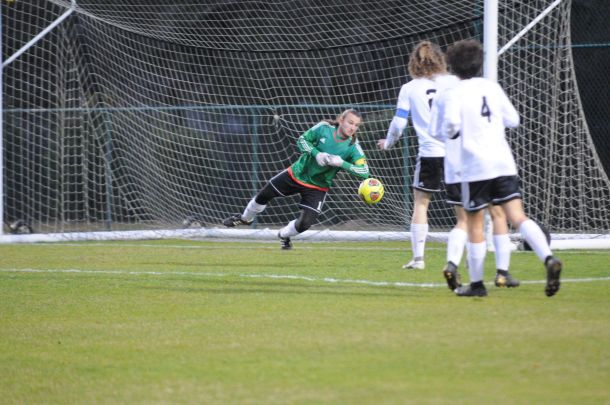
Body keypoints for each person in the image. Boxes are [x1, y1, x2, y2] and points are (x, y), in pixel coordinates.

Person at [378, 41, 519, 290]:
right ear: (441, 60)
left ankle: (418, 258)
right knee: (469, 213)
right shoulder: (454, 83)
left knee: (421, 203)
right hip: (459, 154)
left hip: (430, 153)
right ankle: (475, 261)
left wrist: (388, 143)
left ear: (413, 63)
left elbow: (399, 124)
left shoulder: (409, 88)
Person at [440, 39, 562, 297]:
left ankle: (476, 285)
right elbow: (513, 120)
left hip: (475, 167)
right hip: (503, 162)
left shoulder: (455, 92)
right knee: (517, 216)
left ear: (452, 66)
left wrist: (458, 131)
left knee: (474, 223)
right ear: (479, 63)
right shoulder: (491, 87)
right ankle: (548, 258)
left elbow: (450, 126)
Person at [223, 109, 370, 249]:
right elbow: (302, 140)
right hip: (296, 174)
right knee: (263, 195)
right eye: (350, 122)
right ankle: (244, 218)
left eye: (356, 125)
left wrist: (342, 163)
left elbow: (364, 171)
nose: (353, 127)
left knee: (304, 224)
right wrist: (317, 154)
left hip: (317, 187)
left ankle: (283, 235)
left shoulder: (353, 147)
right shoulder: (324, 128)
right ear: (341, 120)